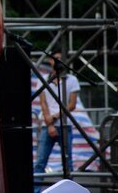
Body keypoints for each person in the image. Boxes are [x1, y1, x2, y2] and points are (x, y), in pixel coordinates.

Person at [34, 52, 80, 193]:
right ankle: (36, 190)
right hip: (49, 125)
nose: (59, 61)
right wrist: (49, 123)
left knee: (68, 163)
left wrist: (53, 118)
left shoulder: (72, 80)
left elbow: (71, 105)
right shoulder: (43, 79)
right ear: (50, 60)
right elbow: (42, 103)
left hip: (64, 125)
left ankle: (70, 190)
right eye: (56, 58)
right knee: (40, 162)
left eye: (61, 58)